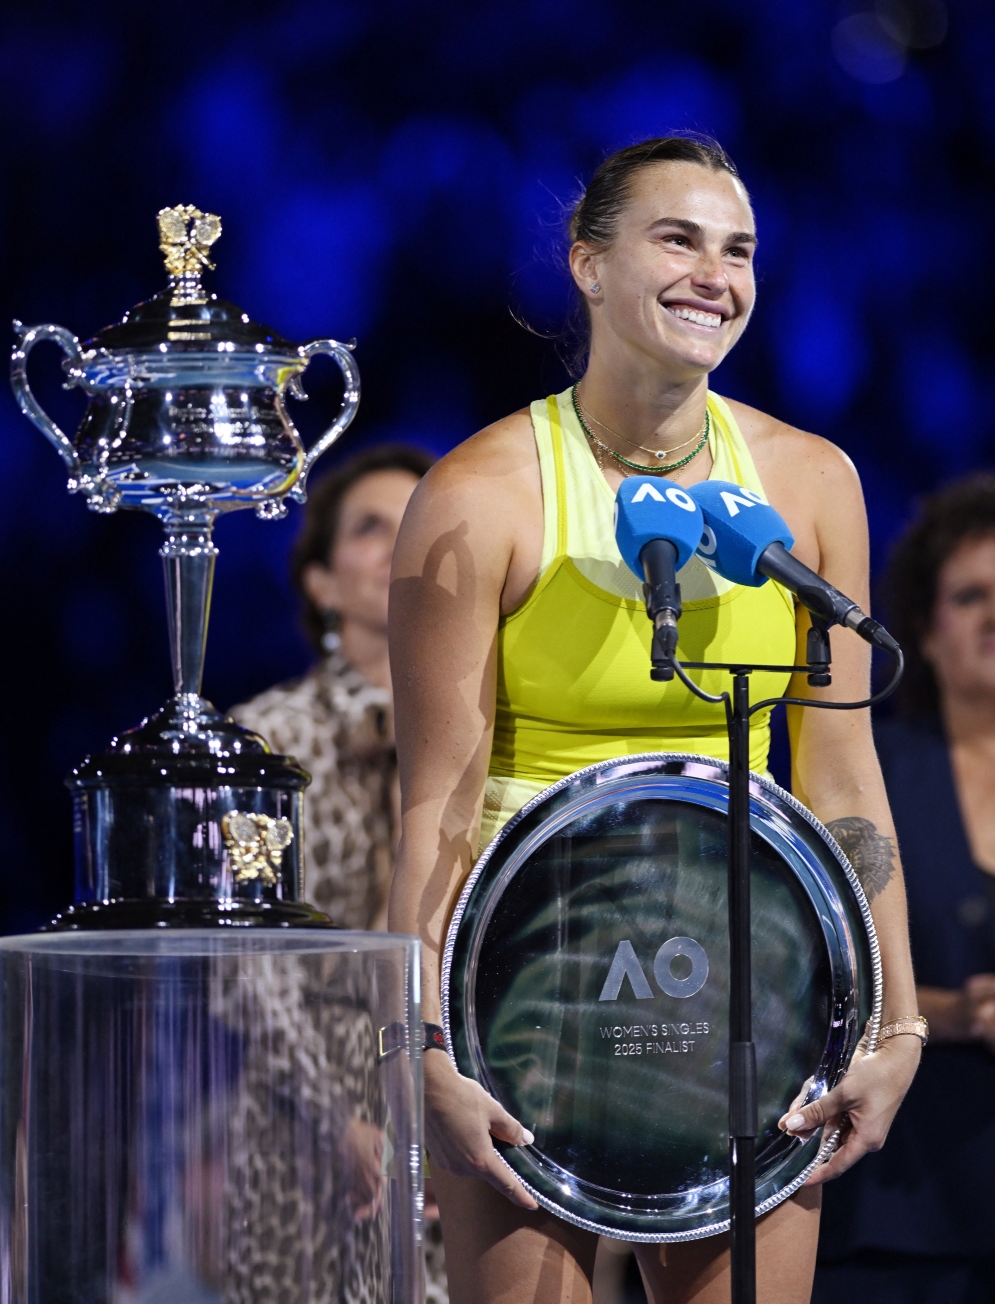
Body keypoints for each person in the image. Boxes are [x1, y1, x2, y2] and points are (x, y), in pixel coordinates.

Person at [387, 135, 922, 1304]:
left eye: (737, 250)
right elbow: (431, 798)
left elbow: (842, 775)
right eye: (676, 239)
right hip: (530, 988)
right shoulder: (478, 494)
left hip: (750, 975)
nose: (714, 275)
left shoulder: (811, 483)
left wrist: (898, 1024)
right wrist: (421, 1043)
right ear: (586, 264)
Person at [815, 475, 995, 1302]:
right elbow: (812, 966)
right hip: (903, 1207)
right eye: (970, 596)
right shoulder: (867, 776)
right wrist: (947, 1014)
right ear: (924, 629)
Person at [231, 443, 433, 931]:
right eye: (370, 527)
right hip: (317, 1009)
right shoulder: (266, 741)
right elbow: (247, 954)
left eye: (418, 522)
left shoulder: (494, 724)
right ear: (322, 583)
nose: (401, 541)